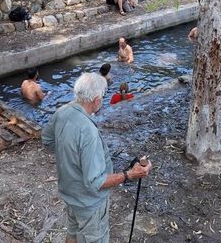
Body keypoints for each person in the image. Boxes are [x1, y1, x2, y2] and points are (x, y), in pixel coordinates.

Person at [42, 73, 153, 243]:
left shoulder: (62, 112)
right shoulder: (88, 132)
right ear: (96, 100)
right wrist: (129, 174)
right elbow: (95, 183)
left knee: (73, 233)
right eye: (101, 96)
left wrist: (71, 157)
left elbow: (47, 141)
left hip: (69, 192)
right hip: (89, 204)